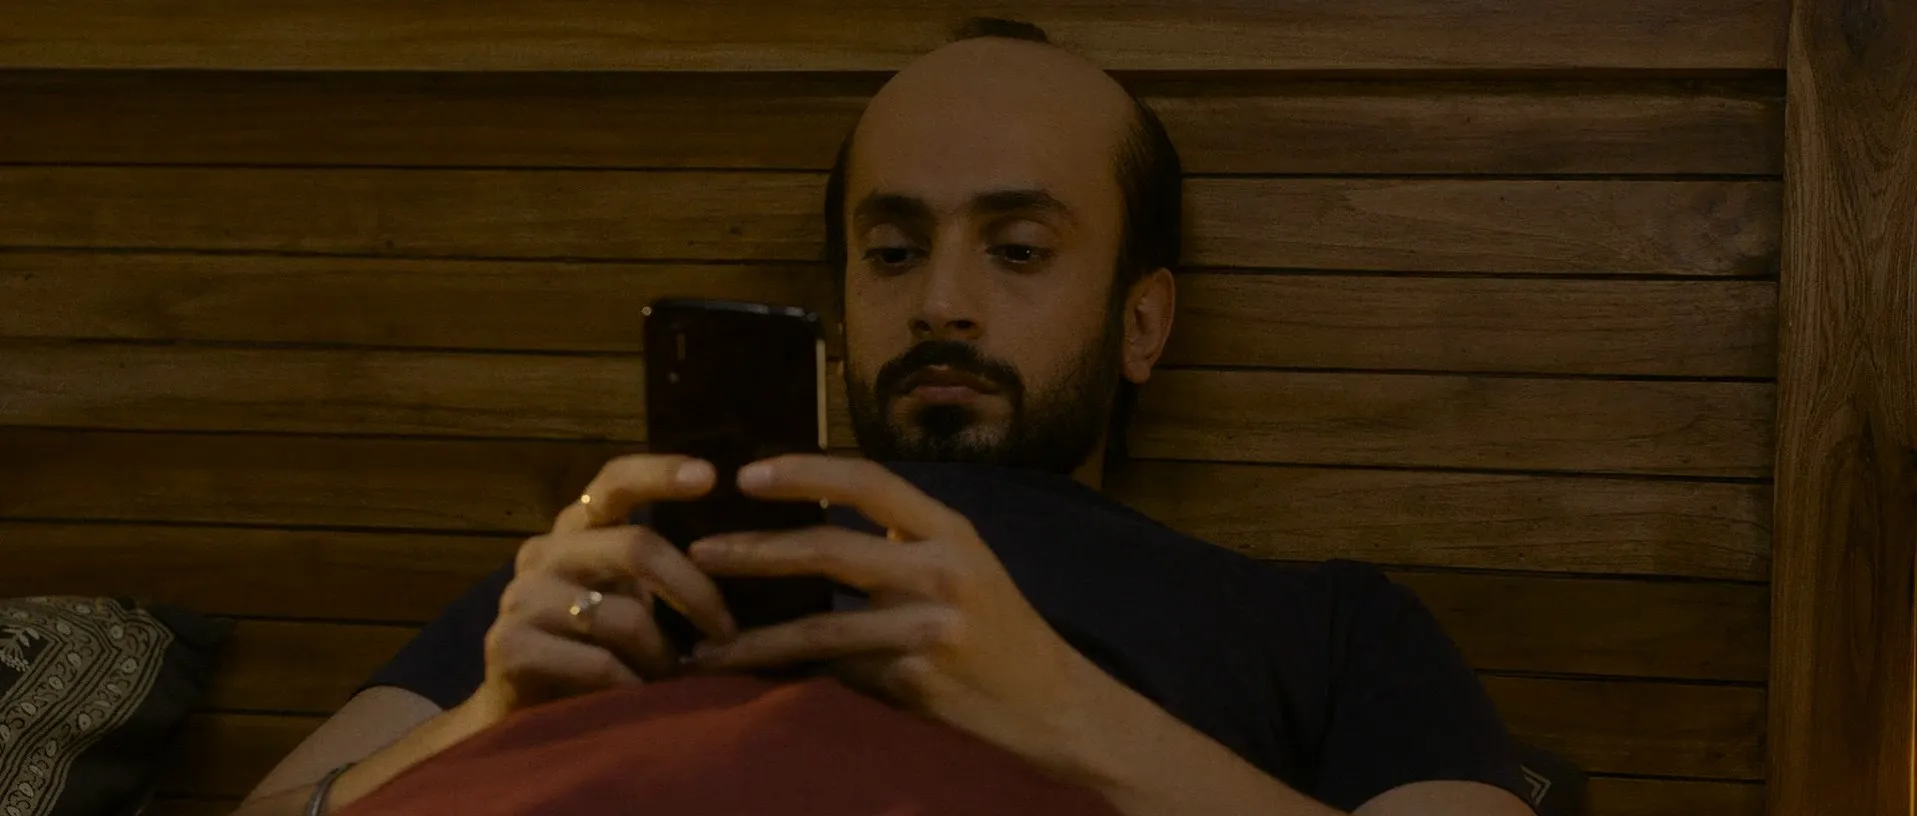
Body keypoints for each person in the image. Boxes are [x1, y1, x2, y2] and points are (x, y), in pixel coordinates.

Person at [236, 18, 1536, 816]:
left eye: (1018, 251)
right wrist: (488, 718)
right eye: (894, 251)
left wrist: (1053, 706)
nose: (941, 305)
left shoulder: (1325, 625)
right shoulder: (622, 567)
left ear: (1143, 323)